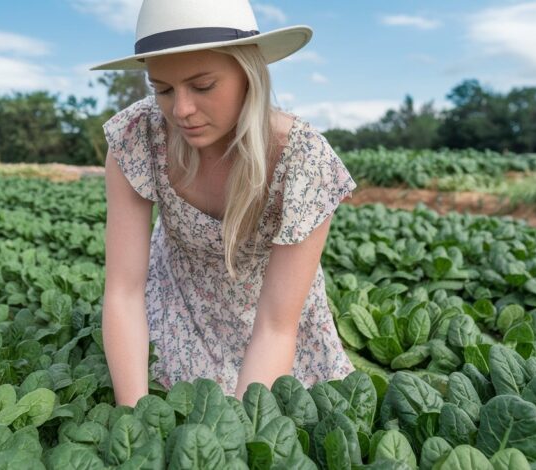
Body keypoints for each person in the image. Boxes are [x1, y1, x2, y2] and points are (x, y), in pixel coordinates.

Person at [92, 0, 356, 407]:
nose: (181, 110)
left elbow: (276, 326)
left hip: (271, 320)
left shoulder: (305, 161)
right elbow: (124, 292)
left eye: (202, 86)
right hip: (175, 303)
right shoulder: (137, 136)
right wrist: (133, 416)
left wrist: (237, 436)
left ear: (248, 73)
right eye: (162, 89)